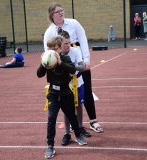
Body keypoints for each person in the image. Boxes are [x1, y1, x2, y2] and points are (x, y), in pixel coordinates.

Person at [44, 2, 103, 133]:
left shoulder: (73, 23)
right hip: (63, 64)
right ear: (51, 15)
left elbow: (83, 39)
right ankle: (72, 126)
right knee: (67, 94)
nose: (61, 13)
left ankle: (93, 121)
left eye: (61, 10)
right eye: (57, 11)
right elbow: (48, 52)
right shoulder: (49, 32)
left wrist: (86, 60)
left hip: (78, 58)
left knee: (86, 90)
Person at [37, 36, 87, 159]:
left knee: (72, 116)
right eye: (49, 48)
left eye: (53, 48)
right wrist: (43, 63)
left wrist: (60, 62)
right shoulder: (47, 61)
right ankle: (50, 146)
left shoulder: (65, 58)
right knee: (51, 119)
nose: (51, 51)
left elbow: (72, 69)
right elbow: (39, 74)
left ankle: (78, 135)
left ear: (59, 48)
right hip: (53, 94)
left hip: (65, 93)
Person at [57, 29, 91, 146]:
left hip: (77, 81)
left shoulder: (75, 51)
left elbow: (82, 67)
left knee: (79, 105)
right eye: (65, 43)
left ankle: (80, 127)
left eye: (69, 42)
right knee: (66, 108)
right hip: (65, 83)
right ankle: (67, 133)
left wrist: (69, 67)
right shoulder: (57, 54)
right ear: (60, 44)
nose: (68, 45)